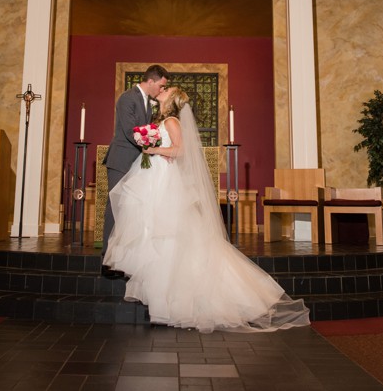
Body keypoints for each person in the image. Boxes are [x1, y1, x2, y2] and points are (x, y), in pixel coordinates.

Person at [104, 86, 311, 333]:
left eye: (167, 89)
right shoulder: (159, 120)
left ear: (171, 99)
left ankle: (172, 301)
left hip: (164, 180)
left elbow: (179, 151)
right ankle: (160, 297)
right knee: (155, 231)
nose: (163, 89)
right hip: (154, 177)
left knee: (168, 234)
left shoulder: (171, 121)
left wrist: (153, 149)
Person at [100, 64, 169, 278]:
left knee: (129, 211)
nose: (161, 89)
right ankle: (106, 262)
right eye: (161, 85)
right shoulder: (127, 98)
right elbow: (131, 131)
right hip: (121, 160)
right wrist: (154, 148)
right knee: (115, 207)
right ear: (151, 81)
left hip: (135, 161)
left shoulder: (147, 102)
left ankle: (122, 260)